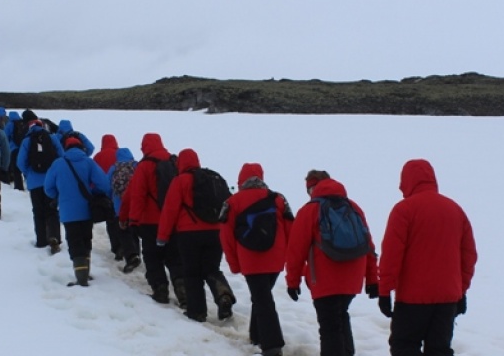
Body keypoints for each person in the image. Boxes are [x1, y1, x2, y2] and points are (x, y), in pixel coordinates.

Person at [378, 159, 477, 356]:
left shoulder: (404, 210)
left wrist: (384, 290)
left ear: (406, 182)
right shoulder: (455, 210)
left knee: (404, 346)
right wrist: (461, 291)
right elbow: (469, 256)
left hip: (411, 299)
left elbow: (391, 254)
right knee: (439, 350)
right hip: (447, 299)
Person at [285, 171, 379, 356]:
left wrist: (292, 282)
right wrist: (372, 279)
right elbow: (368, 244)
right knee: (341, 317)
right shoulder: (353, 207)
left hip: (324, 279)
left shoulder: (310, 210)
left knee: (330, 328)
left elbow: (296, 249)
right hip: (352, 277)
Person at [219, 163, 293, 356]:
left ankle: (272, 346)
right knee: (262, 296)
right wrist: (287, 256)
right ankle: (257, 336)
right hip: (275, 259)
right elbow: (290, 228)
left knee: (262, 299)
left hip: (250, 260)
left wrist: (234, 264)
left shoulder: (232, 202)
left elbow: (226, 236)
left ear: (241, 180)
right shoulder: (278, 199)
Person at [157, 148, 236, 323]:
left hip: (188, 234)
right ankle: (223, 294)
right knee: (212, 269)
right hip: (215, 232)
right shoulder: (213, 178)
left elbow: (170, 210)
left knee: (192, 273)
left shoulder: (180, 181)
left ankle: (197, 312)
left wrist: (163, 236)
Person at [119, 133, 185, 307]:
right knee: (174, 256)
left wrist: (129, 218)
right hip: (172, 220)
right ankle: (182, 287)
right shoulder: (174, 162)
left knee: (152, 256)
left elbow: (135, 195)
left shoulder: (144, 166)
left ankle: (160, 289)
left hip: (150, 222)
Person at [43, 137, 112, 286]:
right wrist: (94, 192)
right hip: (87, 210)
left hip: (68, 212)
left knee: (75, 243)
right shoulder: (88, 162)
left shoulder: (58, 164)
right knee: (86, 240)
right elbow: (104, 184)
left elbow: (48, 188)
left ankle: (81, 278)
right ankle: (85, 272)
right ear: (81, 147)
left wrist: (59, 195)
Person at [17, 109, 65, 254]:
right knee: (52, 211)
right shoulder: (52, 137)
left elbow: (20, 163)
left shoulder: (26, 140)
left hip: (34, 183)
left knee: (38, 212)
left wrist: (28, 173)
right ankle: (55, 237)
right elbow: (61, 156)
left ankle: (41, 241)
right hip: (51, 183)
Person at [108, 147, 142, 273]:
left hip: (119, 206)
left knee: (124, 232)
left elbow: (108, 185)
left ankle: (131, 256)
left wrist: (111, 198)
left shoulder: (114, 168)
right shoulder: (137, 165)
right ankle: (137, 253)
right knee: (133, 231)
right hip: (135, 206)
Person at [93, 134, 123, 258]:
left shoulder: (98, 157)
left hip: (104, 193)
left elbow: (93, 176)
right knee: (121, 220)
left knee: (110, 222)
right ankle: (127, 247)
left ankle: (116, 248)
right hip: (120, 192)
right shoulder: (120, 155)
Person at [4, 111, 26, 191]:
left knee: (16, 169)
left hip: (13, 149)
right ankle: (27, 182)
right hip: (23, 148)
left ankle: (19, 187)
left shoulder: (9, 124)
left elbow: (5, 136)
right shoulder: (22, 123)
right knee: (24, 166)